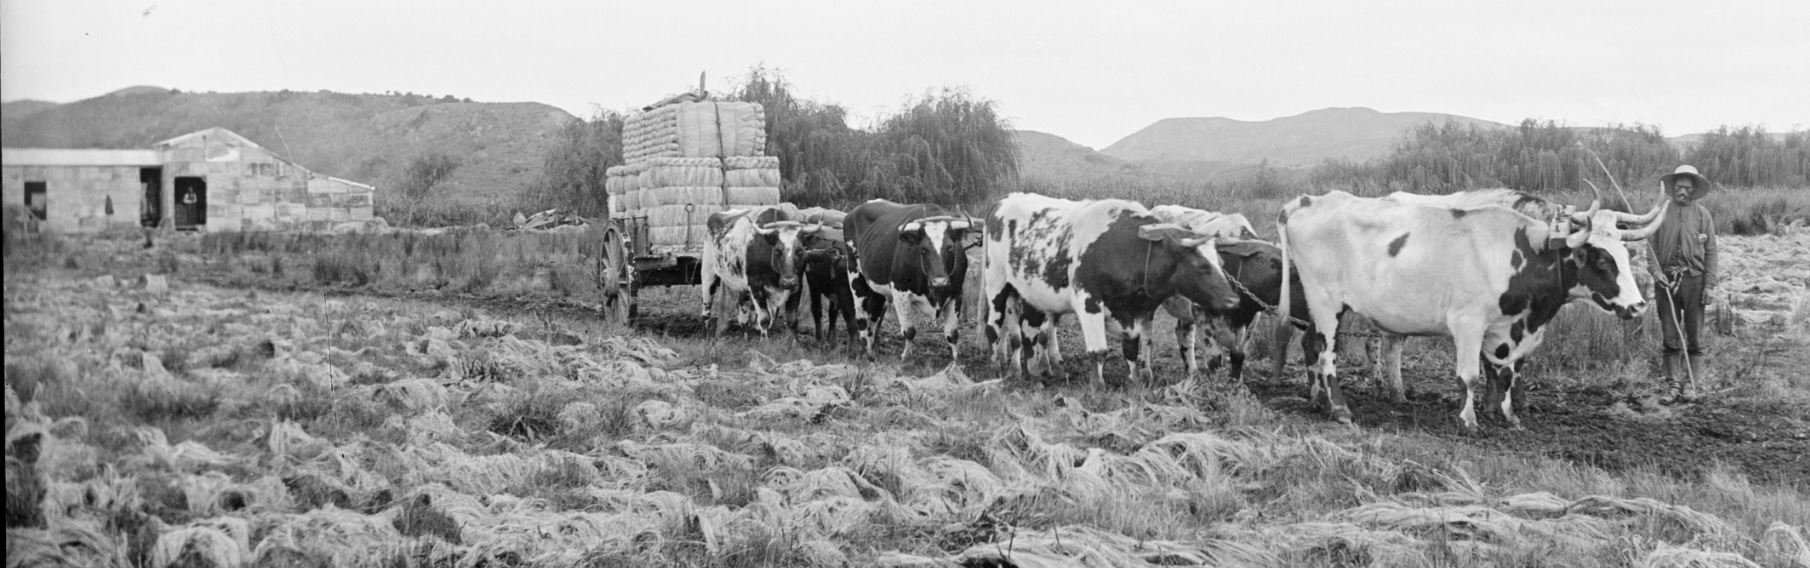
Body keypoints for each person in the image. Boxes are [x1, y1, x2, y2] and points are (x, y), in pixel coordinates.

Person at [1648, 165, 1718, 402]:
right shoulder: (1661, 213)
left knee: (1695, 337)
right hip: (1665, 281)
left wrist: (1709, 285)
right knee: (1670, 335)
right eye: (1679, 187)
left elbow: (1711, 253)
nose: (1683, 192)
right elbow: (1651, 248)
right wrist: (1656, 273)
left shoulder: (1702, 216)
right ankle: (1672, 385)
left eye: (1688, 188)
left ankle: (1691, 384)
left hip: (1694, 281)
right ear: (1673, 188)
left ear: (1694, 190)